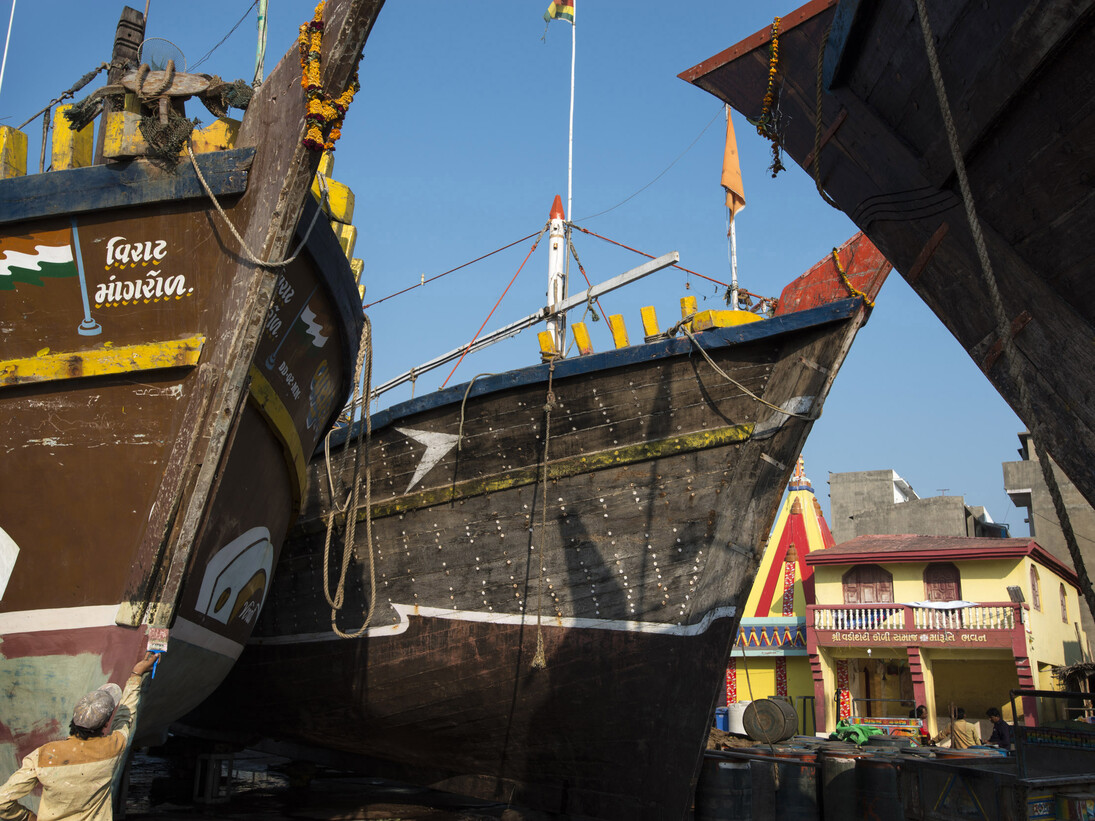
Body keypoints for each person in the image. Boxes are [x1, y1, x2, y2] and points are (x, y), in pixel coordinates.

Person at [0, 648, 158, 821]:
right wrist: (136, 675)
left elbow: (2, 802)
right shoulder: (113, 747)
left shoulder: (44, 755)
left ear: (74, 719)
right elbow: (125, 718)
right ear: (105, 724)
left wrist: (28, 817)